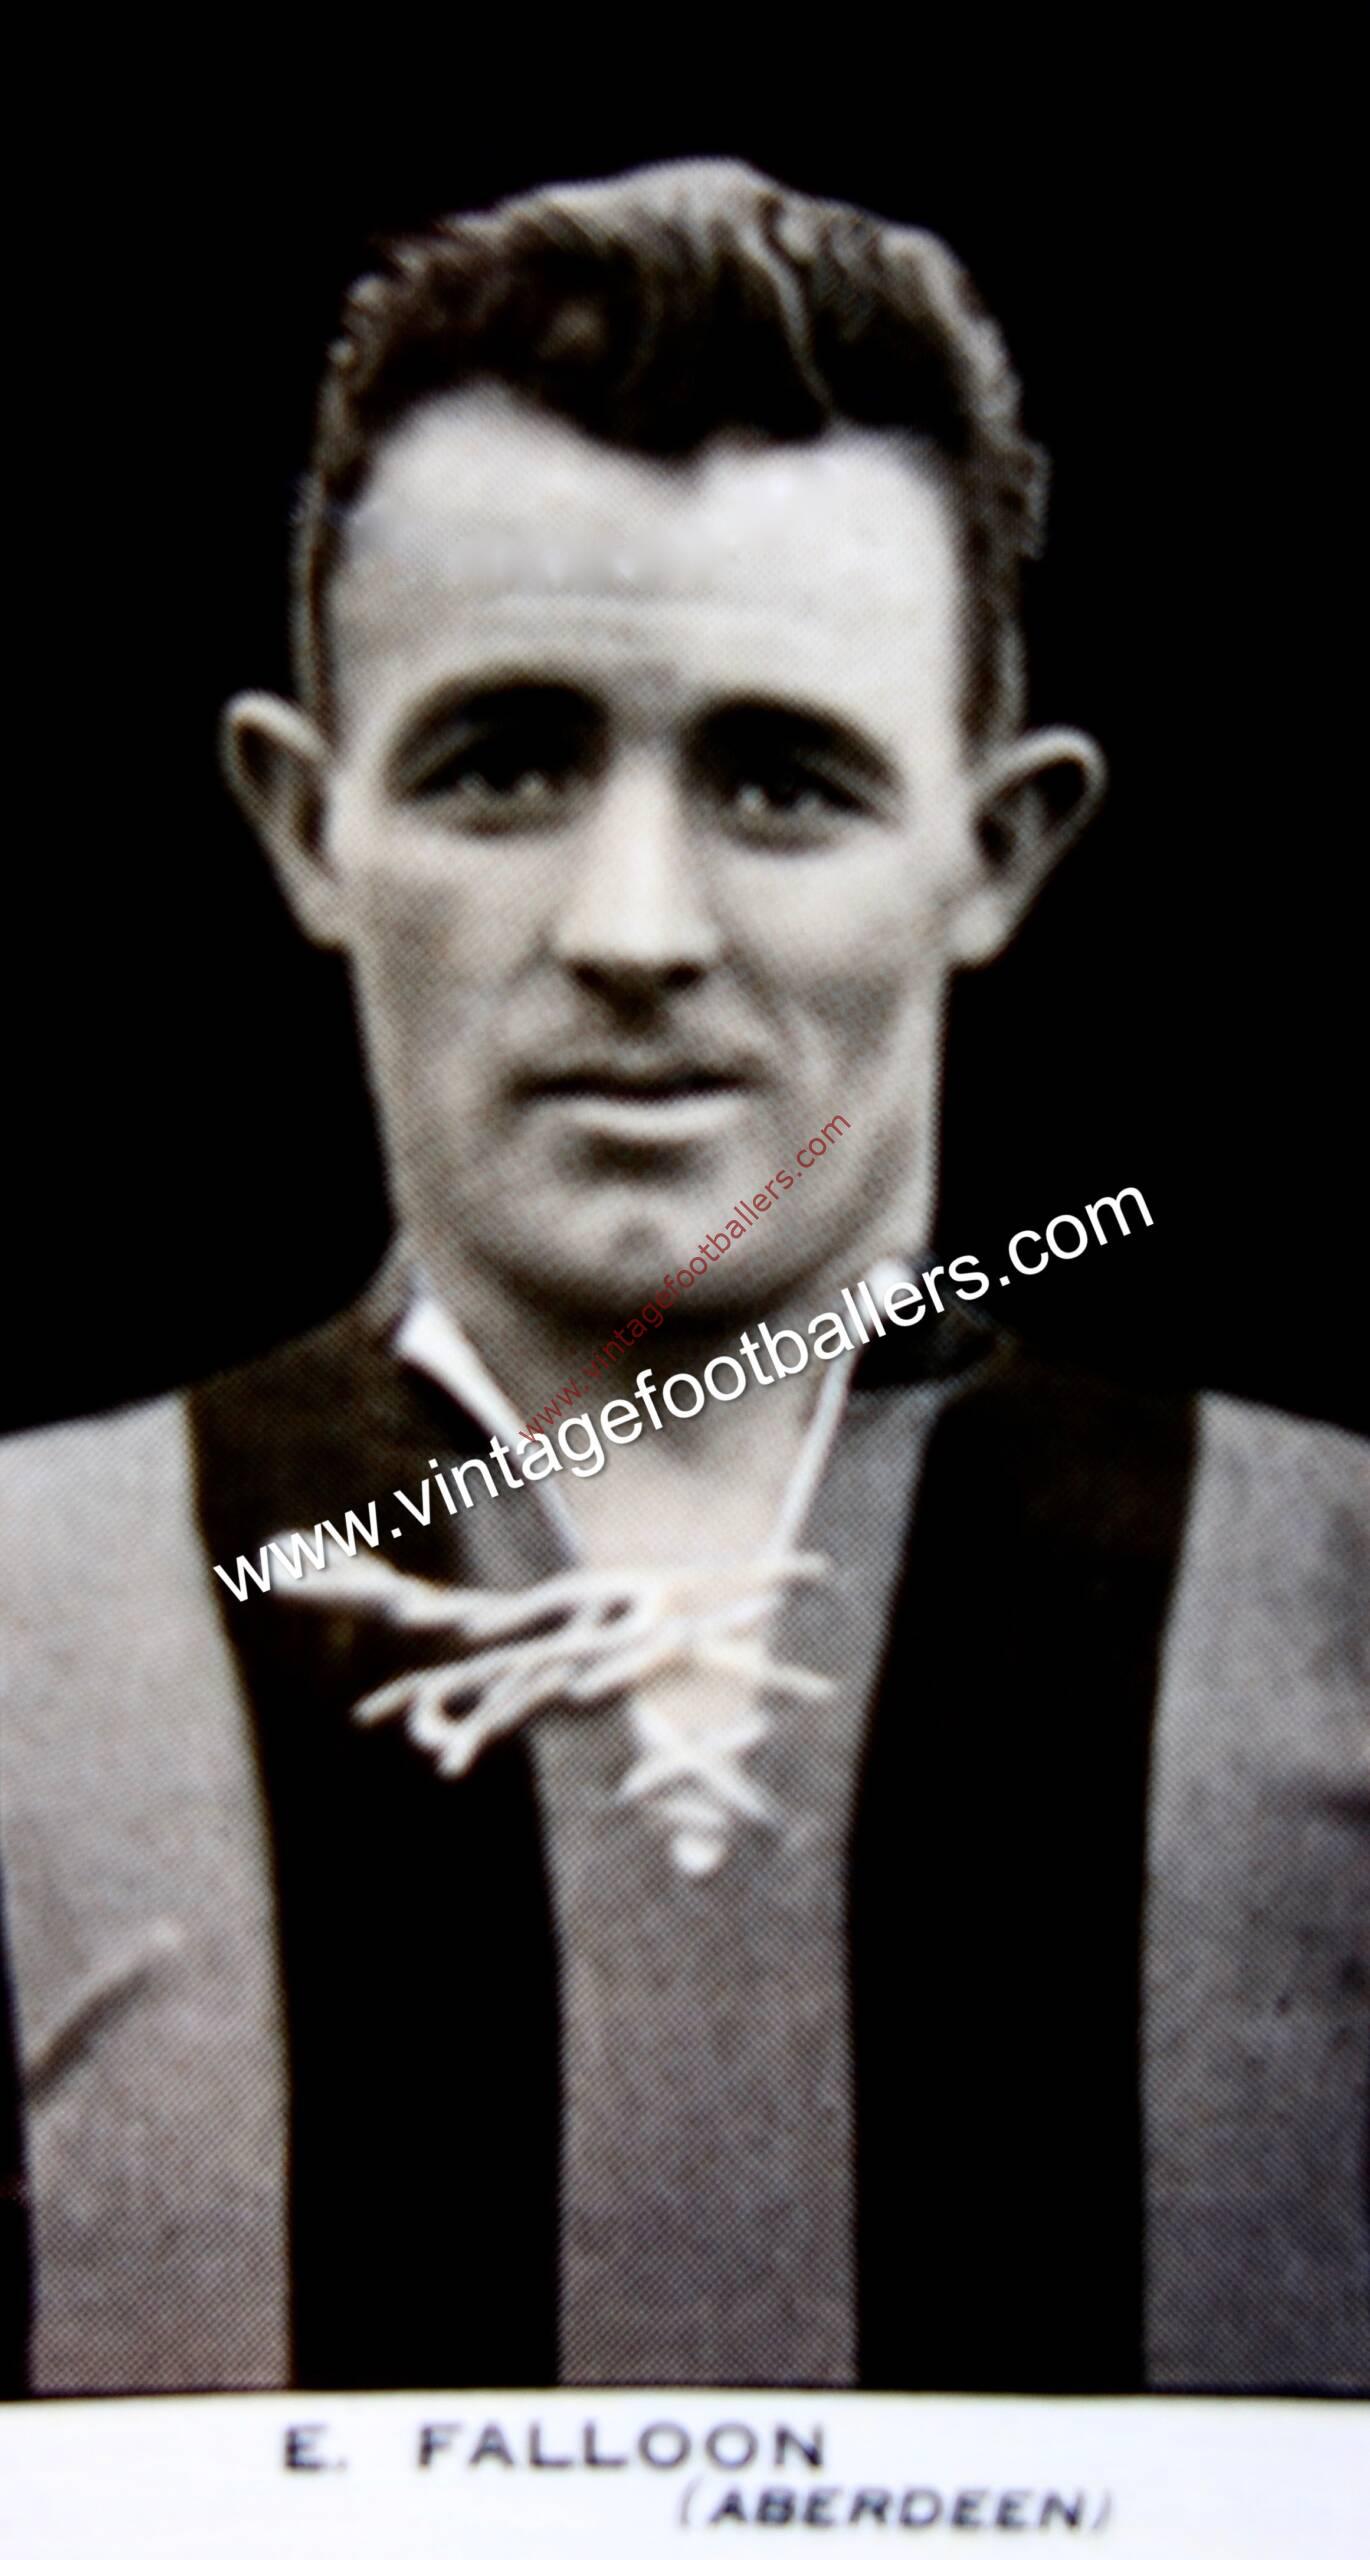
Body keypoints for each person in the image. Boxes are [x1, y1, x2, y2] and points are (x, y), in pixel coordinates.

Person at [0, 159, 1365, 2400]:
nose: (631, 928)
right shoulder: (13, 1612)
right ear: (307, 823)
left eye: (780, 782)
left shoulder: (1337, 1600)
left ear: (994, 848)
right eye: (503, 765)